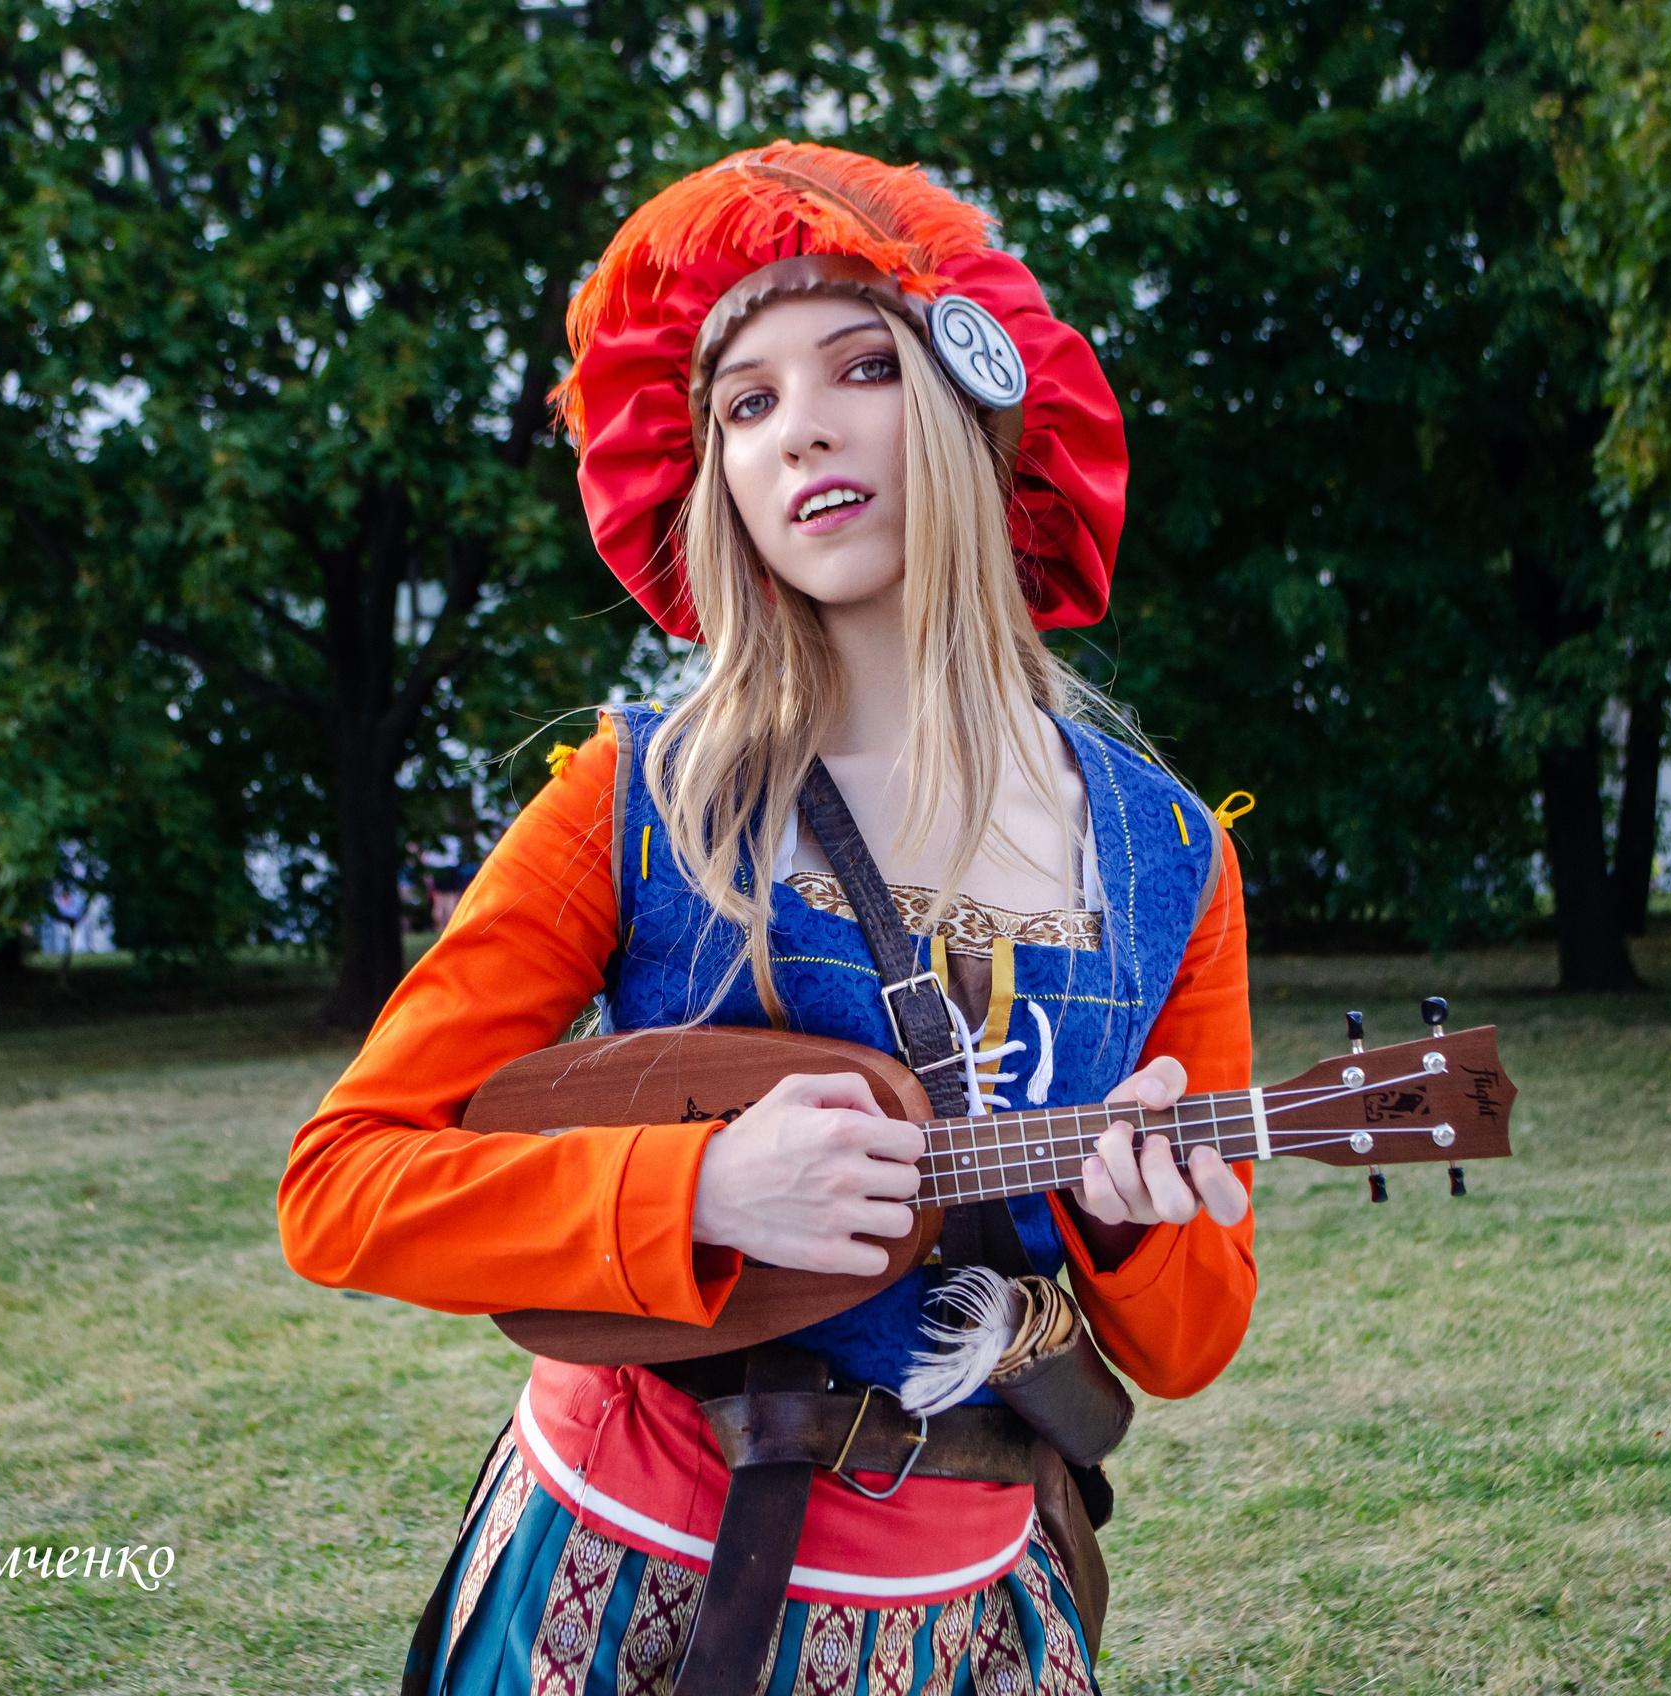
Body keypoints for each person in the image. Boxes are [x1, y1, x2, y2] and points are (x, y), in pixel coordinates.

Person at [279, 143, 1257, 1695]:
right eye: (746, 403)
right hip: (625, 1585)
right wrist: (703, 1194)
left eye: (861, 365)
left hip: (978, 1603)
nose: (801, 424)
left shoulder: (1170, 859)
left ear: (967, 408)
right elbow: (340, 1185)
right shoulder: (635, 797)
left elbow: (1191, 1344)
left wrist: (1131, 1218)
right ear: (717, 480)